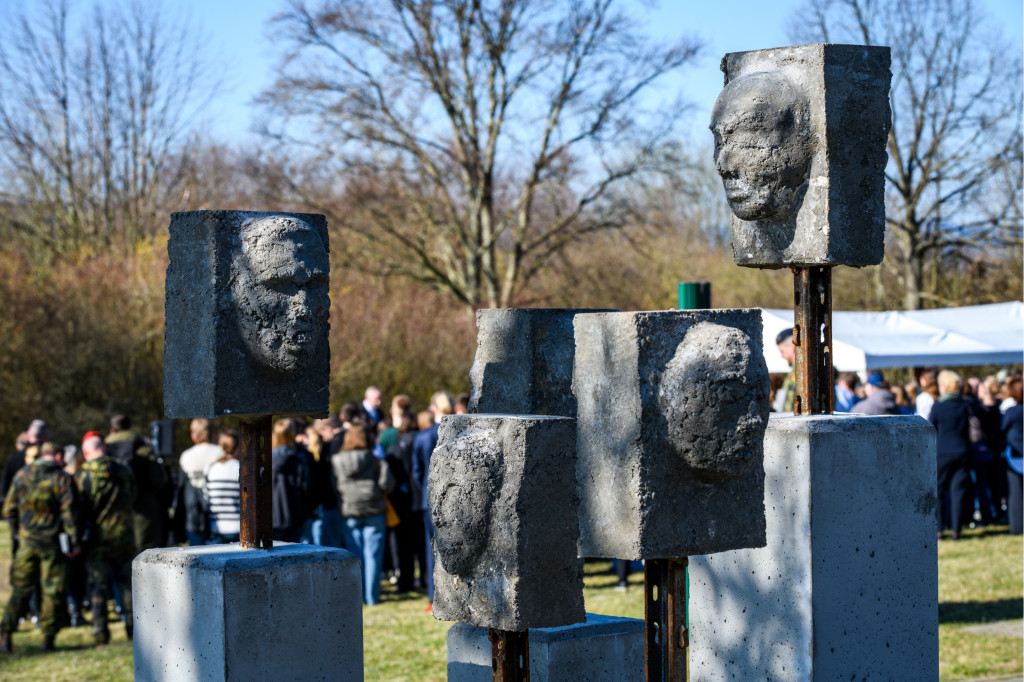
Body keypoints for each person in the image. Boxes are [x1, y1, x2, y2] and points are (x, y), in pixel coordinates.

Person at [0, 432, 80, 653]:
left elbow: (8, 509)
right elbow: (69, 515)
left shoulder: (22, 475)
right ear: (56, 456)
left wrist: (18, 533)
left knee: (20, 590)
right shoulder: (61, 478)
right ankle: (48, 640)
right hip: (52, 545)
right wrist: (74, 542)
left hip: (27, 544)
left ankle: (5, 635)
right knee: (52, 593)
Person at [77, 432, 136, 646]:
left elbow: (80, 509)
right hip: (124, 536)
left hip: (97, 539)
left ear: (86, 452)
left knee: (98, 588)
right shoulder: (124, 469)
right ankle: (134, 631)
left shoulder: (84, 476)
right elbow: (134, 495)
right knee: (128, 586)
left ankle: (100, 635)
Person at [332, 420, 395, 605]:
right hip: (373, 509)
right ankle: (372, 597)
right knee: (373, 556)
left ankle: (357, 596)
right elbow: (387, 484)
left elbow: (334, 487)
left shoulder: (337, 461)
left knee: (354, 556)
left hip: (349, 510)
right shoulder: (374, 459)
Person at [412, 391, 454, 610]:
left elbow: (417, 471)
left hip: (429, 498)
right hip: (454, 497)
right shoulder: (458, 432)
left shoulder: (424, 436)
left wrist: (427, 488)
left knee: (432, 549)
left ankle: (433, 595)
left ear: (433, 408)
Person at [105, 414, 169, 551]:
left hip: (112, 513)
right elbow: (159, 480)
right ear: (130, 427)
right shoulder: (143, 447)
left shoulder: (103, 449)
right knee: (146, 553)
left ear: (112, 430)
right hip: (143, 509)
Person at [929, 370, 972, 540]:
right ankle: (956, 530)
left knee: (939, 490)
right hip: (961, 451)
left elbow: (931, 427)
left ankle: (939, 529)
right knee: (958, 491)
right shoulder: (963, 405)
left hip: (943, 453)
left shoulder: (938, 406)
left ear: (944, 387)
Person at [385, 410, 420, 593]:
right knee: (421, 542)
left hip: (399, 500)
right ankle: (424, 579)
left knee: (402, 544)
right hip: (418, 498)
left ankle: (405, 581)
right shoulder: (420, 441)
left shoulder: (395, 447)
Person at [178, 419, 223, 546]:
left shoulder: (186, 456)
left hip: (194, 517)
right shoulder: (221, 453)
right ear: (212, 433)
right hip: (219, 517)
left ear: (193, 436)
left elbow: (181, 488)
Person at [271, 419, 310, 543]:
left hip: (272, 514)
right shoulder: (299, 457)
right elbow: (305, 485)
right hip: (295, 512)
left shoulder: (267, 458)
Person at [203, 430, 241, 544]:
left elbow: (206, 498)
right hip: (238, 527)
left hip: (216, 527)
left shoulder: (209, 468)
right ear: (237, 448)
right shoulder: (241, 468)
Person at [1001, 377, 1023, 535]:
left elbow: (1002, 428)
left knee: (1015, 493)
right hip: (1016, 454)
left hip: (1014, 455)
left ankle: (1017, 526)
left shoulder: (1012, 411)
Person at [773, 329, 796, 413]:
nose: (782, 356)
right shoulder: (792, 372)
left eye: (782, 351)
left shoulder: (803, 372)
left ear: (792, 346)